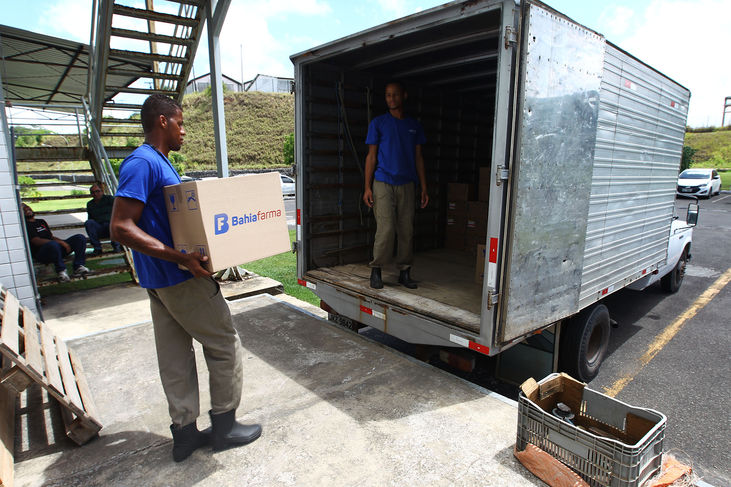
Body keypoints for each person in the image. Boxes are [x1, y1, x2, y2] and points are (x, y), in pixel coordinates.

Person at [110, 94, 261, 463]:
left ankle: (185, 435)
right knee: (224, 343)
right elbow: (120, 226)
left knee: (175, 357)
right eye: (180, 123)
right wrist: (183, 259)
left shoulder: (156, 162)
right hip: (179, 278)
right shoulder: (143, 163)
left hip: (159, 280)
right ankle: (225, 426)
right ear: (162, 121)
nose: (184, 131)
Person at [362, 81, 429, 289]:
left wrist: (424, 187)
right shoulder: (378, 123)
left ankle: (404, 272)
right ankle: (376, 270)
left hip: (407, 183)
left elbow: (418, 158)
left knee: (406, 228)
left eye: (395, 95)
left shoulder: (414, 126)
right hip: (383, 182)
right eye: (388, 95)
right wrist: (367, 187)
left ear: (404, 96)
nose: (391, 99)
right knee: (386, 228)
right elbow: (371, 157)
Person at [22, 203, 90, 282]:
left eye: (28, 208)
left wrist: (62, 242)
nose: (28, 211)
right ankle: (61, 271)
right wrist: (60, 243)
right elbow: (36, 241)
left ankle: (78, 266)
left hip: (55, 248)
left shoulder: (41, 221)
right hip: (42, 254)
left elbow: (51, 236)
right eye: (24, 210)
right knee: (53, 244)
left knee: (80, 238)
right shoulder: (26, 225)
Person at [85, 182, 121, 255]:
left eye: (97, 191)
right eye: (93, 192)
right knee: (89, 223)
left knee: (113, 222)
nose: (95, 194)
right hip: (99, 227)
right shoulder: (90, 204)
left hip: (111, 226)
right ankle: (97, 248)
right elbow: (90, 218)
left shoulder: (110, 199)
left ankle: (117, 246)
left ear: (102, 191)